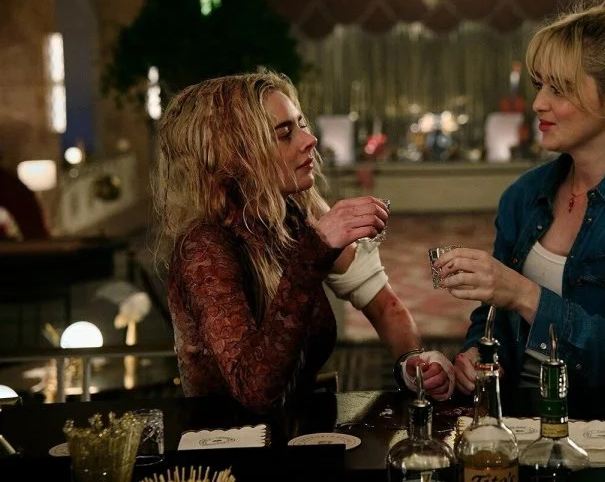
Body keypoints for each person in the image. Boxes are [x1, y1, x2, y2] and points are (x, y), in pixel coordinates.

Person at [433, 0, 605, 394]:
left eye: (559, 89)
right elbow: (492, 320)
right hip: (514, 418)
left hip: (602, 425)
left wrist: (524, 294)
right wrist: (477, 355)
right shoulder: (524, 195)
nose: (538, 103)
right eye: (539, 85)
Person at [155, 72, 453, 412]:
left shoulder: (292, 215)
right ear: (236, 155)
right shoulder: (204, 248)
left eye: (301, 125)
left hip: (298, 432)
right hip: (230, 443)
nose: (310, 139)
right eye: (285, 134)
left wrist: (413, 365)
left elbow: (385, 306)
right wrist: (315, 250)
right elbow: (256, 392)